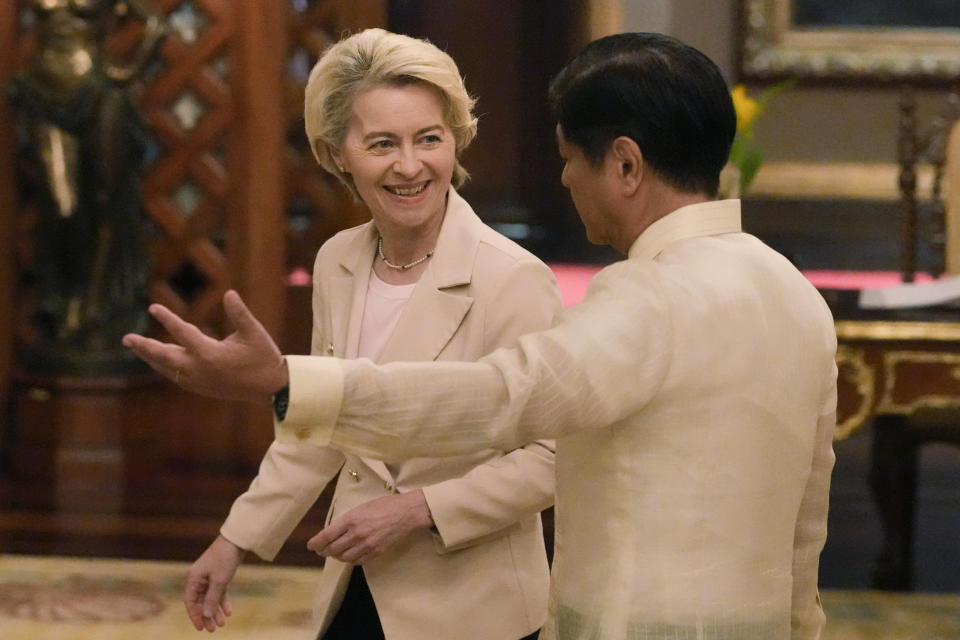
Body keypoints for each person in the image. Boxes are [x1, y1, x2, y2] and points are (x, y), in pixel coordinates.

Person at [124, 32, 838, 640]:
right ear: (340, 153)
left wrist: (287, 382)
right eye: (381, 143)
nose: (563, 179)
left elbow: (502, 399)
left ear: (623, 163)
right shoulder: (797, 294)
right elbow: (809, 519)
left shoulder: (640, 297)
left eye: (567, 159)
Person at [168, 29, 559, 640]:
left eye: (429, 138)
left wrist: (419, 510)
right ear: (336, 153)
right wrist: (233, 539)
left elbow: (552, 459)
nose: (410, 165)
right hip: (357, 582)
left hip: (471, 607)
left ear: (455, 139)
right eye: (382, 143)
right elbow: (322, 422)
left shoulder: (513, 277)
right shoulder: (337, 261)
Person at [6, 0, 165, 366]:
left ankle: (91, 304)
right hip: (45, 92)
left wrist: (127, 72)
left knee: (106, 200)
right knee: (63, 207)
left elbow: (156, 25)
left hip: (96, 92)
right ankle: (65, 299)